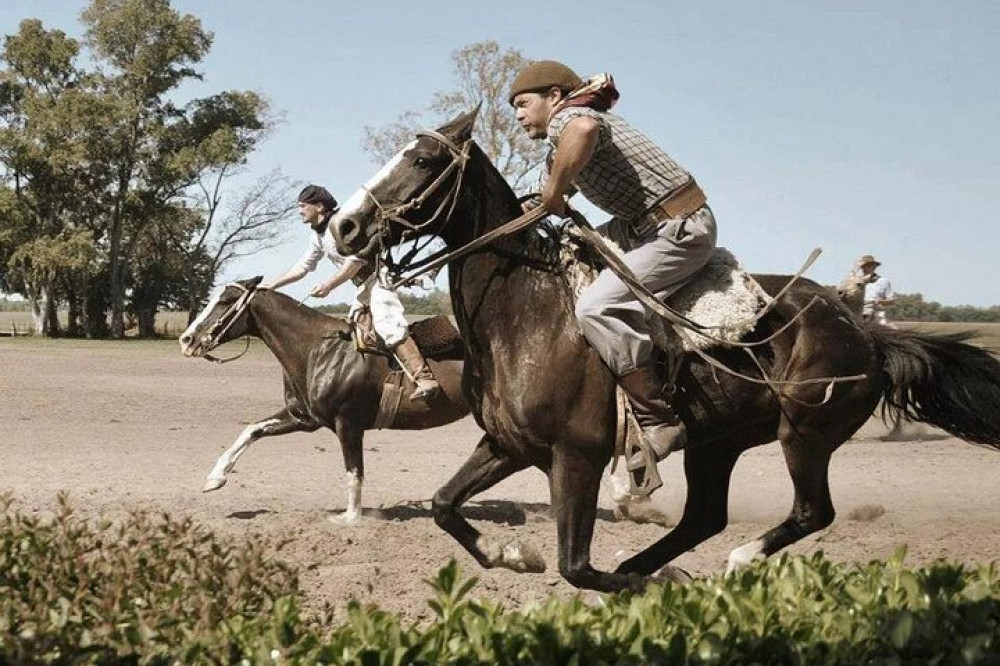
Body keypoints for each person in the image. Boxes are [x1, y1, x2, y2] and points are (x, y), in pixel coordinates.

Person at [509, 60, 718, 464]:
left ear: (553, 96)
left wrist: (554, 192)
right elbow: (545, 196)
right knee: (567, 254)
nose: (518, 115)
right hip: (641, 226)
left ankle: (658, 418)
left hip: (680, 227)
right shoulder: (559, 142)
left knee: (596, 305)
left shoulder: (570, 117)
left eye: (523, 103)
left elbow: (582, 133)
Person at [265, 185, 440, 400]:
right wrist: (270, 286)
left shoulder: (343, 225)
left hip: (378, 280)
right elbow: (301, 269)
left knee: (387, 324)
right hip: (364, 287)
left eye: (302, 206)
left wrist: (329, 285)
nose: (299, 211)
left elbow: (355, 263)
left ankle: (424, 378)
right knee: (357, 330)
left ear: (319, 206)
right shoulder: (317, 238)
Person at [855, 254, 896, 328]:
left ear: (874, 267)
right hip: (857, 313)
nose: (868, 268)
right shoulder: (855, 282)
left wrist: (879, 301)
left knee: (893, 329)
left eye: (871, 265)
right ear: (862, 267)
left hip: (876, 313)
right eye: (865, 266)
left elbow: (891, 300)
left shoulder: (884, 281)